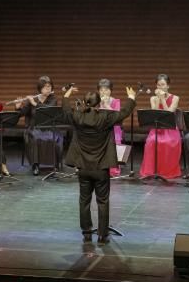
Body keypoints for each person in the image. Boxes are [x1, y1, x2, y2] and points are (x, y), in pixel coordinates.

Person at [62, 85, 137, 245]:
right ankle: (103, 235)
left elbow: (66, 110)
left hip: (83, 167)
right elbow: (124, 112)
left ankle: (86, 233)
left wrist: (66, 95)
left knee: (84, 200)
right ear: (99, 103)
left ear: (84, 102)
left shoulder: (78, 116)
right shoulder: (106, 117)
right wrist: (131, 97)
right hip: (101, 168)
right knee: (102, 201)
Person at [15, 76, 62, 176]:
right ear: (40, 88)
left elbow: (48, 110)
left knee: (54, 138)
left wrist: (35, 104)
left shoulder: (53, 99)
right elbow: (21, 114)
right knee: (35, 138)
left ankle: (53, 164)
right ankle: (35, 165)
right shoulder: (33, 99)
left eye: (49, 86)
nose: (48, 89)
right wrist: (18, 107)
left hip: (48, 128)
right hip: (34, 128)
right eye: (45, 87)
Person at [139, 74, 181, 179]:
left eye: (163, 85)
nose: (160, 87)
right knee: (151, 141)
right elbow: (155, 114)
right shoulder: (153, 98)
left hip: (170, 128)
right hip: (157, 128)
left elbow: (169, 114)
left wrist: (163, 99)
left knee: (167, 143)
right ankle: (152, 171)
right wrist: (158, 99)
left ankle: (166, 171)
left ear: (168, 86)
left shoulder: (175, 98)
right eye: (158, 85)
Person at [97, 78, 123, 177]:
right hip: (100, 130)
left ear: (111, 90)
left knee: (113, 146)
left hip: (113, 130)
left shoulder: (116, 101)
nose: (104, 92)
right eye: (101, 90)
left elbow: (117, 117)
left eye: (106, 90)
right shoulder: (96, 101)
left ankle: (112, 169)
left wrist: (107, 105)